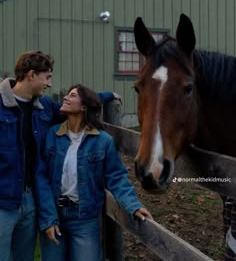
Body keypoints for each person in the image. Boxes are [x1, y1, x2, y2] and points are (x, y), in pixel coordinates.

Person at [0, 50, 121, 261]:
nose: (48, 84)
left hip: (30, 201)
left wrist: (107, 95)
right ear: (31, 75)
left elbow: (77, 104)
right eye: (47, 77)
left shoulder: (44, 107)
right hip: (2, 202)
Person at [35, 84, 153, 261]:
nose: (66, 98)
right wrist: (48, 218)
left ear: (84, 107)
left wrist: (133, 205)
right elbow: (41, 176)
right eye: (67, 95)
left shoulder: (102, 141)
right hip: (55, 216)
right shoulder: (52, 135)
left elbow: (116, 177)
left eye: (72, 95)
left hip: (85, 220)